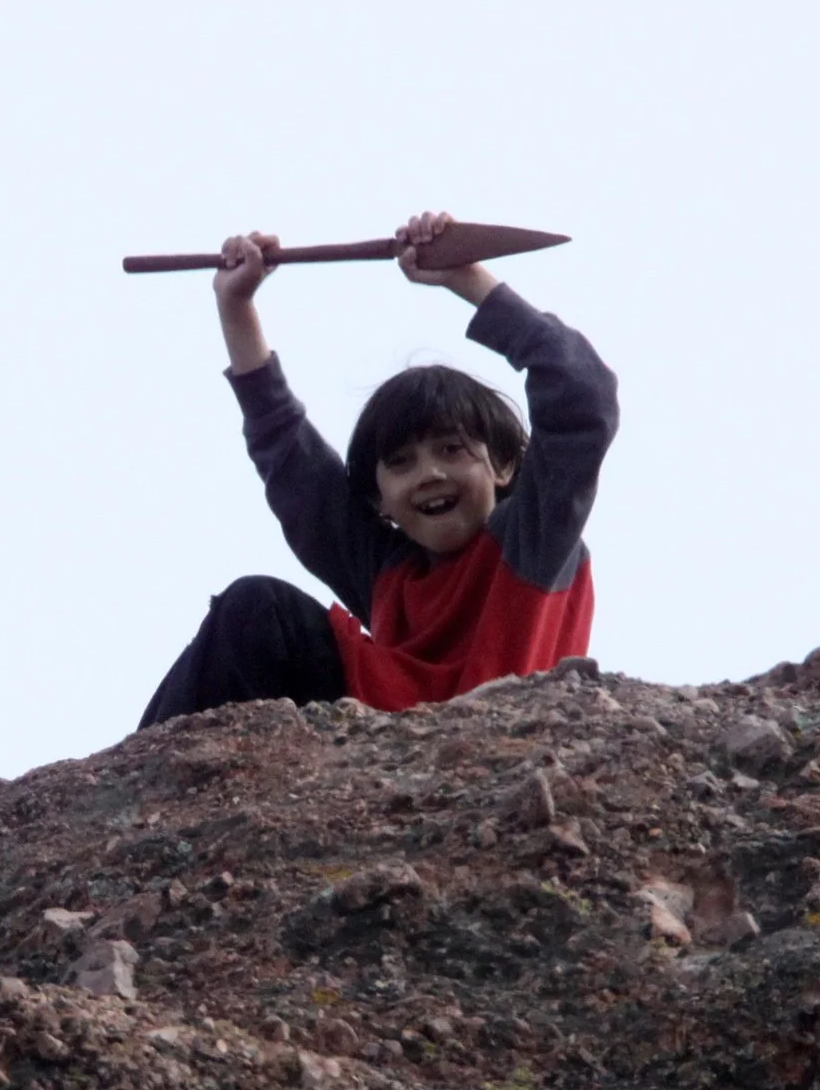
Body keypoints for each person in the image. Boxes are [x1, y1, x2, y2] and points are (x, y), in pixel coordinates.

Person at [138, 210, 619, 728]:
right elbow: (296, 469)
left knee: (260, 607)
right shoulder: (389, 572)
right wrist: (236, 306)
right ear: (378, 499)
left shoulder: (532, 540)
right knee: (253, 612)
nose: (429, 473)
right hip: (373, 728)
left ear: (504, 465)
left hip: (479, 744)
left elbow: (582, 398)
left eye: (452, 450)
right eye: (401, 464)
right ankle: (139, 784)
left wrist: (467, 278)